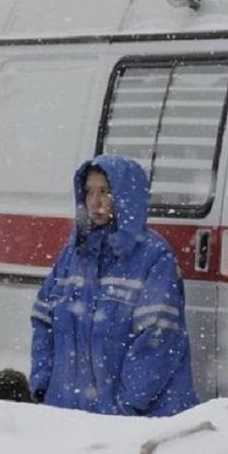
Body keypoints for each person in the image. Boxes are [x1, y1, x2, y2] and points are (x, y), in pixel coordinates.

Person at [29, 154, 198, 416]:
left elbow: (158, 338)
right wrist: (43, 386)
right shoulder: (73, 254)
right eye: (88, 192)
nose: (95, 202)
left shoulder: (153, 256)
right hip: (69, 416)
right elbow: (44, 322)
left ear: (126, 197)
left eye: (105, 192)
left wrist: (124, 406)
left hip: (134, 423)